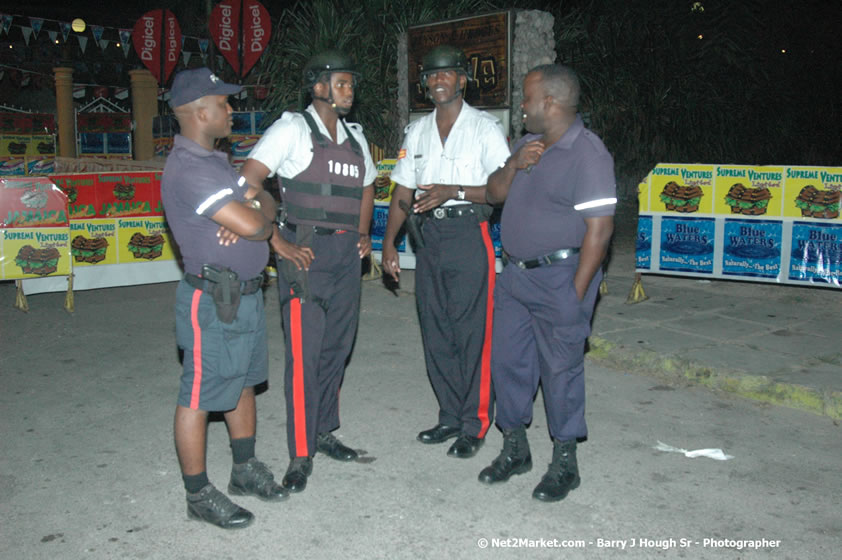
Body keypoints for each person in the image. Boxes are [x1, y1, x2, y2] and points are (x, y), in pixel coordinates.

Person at [240, 50, 376, 493]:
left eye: (350, 83)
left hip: (344, 259)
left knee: (337, 349)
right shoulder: (292, 130)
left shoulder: (355, 138)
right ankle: (301, 452)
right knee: (305, 356)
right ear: (318, 86)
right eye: (341, 83)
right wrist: (275, 239)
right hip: (306, 256)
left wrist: (361, 232)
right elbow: (249, 182)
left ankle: (324, 432)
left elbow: (369, 184)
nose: (349, 90)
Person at [478, 64, 616, 502]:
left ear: (551, 103)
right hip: (515, 276)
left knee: (560, 370)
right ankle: (516, 449)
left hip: (560, 277)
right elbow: (495, 192)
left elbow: (600, 232)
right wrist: (515, 163)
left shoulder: (588, 153)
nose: (521, 106)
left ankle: (565, 462)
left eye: (527, 98)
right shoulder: (525, 144)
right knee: (509, 364)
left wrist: (576, 294)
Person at [161, 67, 286, 529]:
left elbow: (263, 203)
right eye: (224, 103)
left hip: (247, 295)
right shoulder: (189, 168)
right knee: (198, 395)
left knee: (243, 381)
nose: (232, 110)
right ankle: (198, 494)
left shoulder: (214, 161)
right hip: (213, 301)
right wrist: (254, 214)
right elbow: (258, 224)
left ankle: (244, 469)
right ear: (199, 111)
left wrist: (255, 207)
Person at [382, 45, 510, 459]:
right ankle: (449, 415)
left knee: (472, 332)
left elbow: (502, 188)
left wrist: (451, 190)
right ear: (424, 83)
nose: (439, 81)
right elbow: (403, 187)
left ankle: (475, 423)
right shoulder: (416, 131)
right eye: (432, 76)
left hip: (468, 233)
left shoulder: (484, 128)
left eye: (447, 74)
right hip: (427, 239)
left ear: (462, 79)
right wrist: (389, 242)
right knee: (436, 330)